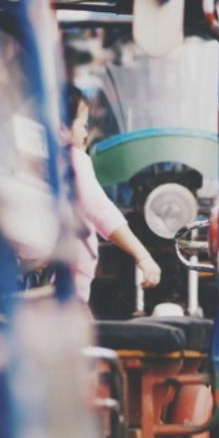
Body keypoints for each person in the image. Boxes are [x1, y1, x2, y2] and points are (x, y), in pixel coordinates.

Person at [64, 88, 162, 302]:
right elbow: (100, 210)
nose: (86, 134)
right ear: (62, 128)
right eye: (83, 125)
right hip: (64, 293)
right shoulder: (73, 160)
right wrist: (143, 256)